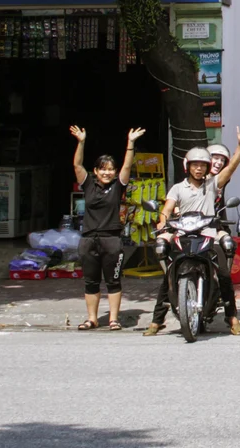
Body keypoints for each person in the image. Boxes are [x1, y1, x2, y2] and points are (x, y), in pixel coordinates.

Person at [144, 125, 240, 337]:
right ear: (188, 166)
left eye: (203, 165)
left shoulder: (212, 184)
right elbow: (166, 209)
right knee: (169, 274)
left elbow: (231, 169)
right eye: (195, 165)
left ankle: (232, 317)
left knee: (223, 274)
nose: (199, 169)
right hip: (183, 234)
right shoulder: (177, 188)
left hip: (208, 234)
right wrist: (162, 223)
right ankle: (157, 321)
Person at [71, 125, 145, 331]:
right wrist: (81, 142)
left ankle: (113, 319)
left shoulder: (117, 186)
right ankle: (92, 319)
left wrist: (130, 143)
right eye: (102, 169)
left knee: (113, 281)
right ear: (95, 171)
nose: (107, 172)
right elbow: (77, 165)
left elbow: (127, 168)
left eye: (110, 169)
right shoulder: (88, 185)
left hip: (111, 240)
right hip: (88, 240)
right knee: (91, 282)